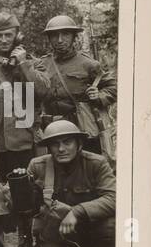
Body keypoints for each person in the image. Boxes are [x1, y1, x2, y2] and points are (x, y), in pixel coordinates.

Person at [25, 119, 116, 247]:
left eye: (67, 142)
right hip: (58, 235)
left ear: (79, 144)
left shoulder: (96, 163)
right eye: (55, 144)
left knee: (115, 227)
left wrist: (78, 211)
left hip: (91, 232)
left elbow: (114, 197)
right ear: (49, 147)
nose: (61, 149)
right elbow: (27, 209)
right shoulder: (38, 166)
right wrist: (20, 188)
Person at [36, 14, 116, 155]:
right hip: (52, 129)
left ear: (74, 37)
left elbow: (113, 87)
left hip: (82, 129)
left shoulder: (89, 64)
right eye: (54, 35)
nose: (60, 40)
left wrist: (98, 96)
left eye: (65, 34)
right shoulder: (42, 64)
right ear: (49, 38)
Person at [0, 12, 51, 175]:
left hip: (25, 141)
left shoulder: (35, 64)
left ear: (18, 36)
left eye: (8, 35)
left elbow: (43, 92)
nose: (3, 40)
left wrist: (23, 64)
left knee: (26, 189)